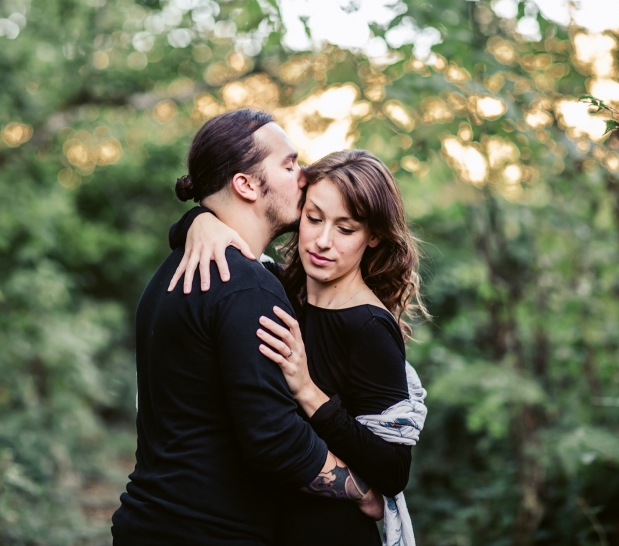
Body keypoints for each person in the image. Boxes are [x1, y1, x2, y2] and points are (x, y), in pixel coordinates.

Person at [111, 110, 384, 546]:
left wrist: (195, 220)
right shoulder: (245, 286)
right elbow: (276, 441)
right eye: (289, 164)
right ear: (247, 185)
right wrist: (363, 492)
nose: (305, 175)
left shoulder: (173, 272)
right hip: (207, 533)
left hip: (151, 524)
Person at [169, 149, 429, 546]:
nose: (323, 241)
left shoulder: (368, 326)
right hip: (262, 526)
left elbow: (394, 471)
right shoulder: (279, 287)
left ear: (373, 236)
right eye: (314, 218)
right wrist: (199, 221)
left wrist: (308, 391)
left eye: (346, 229)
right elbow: (196, 235)